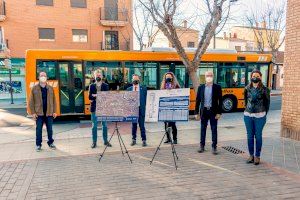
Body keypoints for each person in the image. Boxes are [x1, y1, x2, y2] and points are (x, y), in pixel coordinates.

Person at [244, 69, 270, 165]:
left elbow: (267, 103)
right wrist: (247, 110)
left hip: (260, 116)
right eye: (254, 76)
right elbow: (246, 100)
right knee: (250, 136)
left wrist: (263, 113)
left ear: (260, 77)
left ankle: (257, 156)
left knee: (258, 136)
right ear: (251, 77)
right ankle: (251, 155)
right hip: (248, 115)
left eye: (257, 76)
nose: (255, 77)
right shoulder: (247, 88)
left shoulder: (265, 89)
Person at [28, 72, 57, 152]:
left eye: (44, 76)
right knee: (38, 130)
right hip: (39, 113)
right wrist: (33, 113)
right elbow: (31, 101)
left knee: (50, 129)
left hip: (49, 112)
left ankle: (50, 143)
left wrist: (54, 111)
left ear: (47, 77)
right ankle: (38, 145)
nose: (43, 77)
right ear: (39, 77)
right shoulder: (34, 88)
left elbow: (54, 100)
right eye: (41, 76)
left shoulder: (50, 88)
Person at [195, 71, 222, 155]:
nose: (209, 77)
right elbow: (198, 101)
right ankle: (202, 146)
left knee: (214, 129)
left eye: (210, 75)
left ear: (213, 76)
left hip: (213, 111)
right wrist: (196, 113)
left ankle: (214, 147)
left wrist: (219, 113)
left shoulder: (217, 87)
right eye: (207, 75)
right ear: (205, 76)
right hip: (204, 111)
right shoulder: (201, 87)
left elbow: (220, 101)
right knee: (203, 129)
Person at [89, 70, 112, 148]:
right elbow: (90, 97)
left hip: (103, 108)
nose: (98, 76)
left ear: (102, 76)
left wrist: (95, 95)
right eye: (97, 75)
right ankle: (94, 142)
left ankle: (105, 141)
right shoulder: (91, 86)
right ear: (94, 76)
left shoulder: (105, 85)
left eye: (99, 75)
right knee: (94, 126)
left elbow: (106, 97)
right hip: (94, 109)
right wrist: (99, 96)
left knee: (105, 125)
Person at [127, 74, 147, 147]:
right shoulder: (129, 89)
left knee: (142, 126)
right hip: (133, 110)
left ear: (139, 80)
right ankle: (133, 140)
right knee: (134, 126)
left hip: (141, 109)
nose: (135, 80)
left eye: (136, 79)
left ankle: (144, 140)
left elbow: (146, 99)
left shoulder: (144, 89)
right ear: (132, 80)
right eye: (134, 79)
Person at [160, 72, 180, 144]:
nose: (168, 78)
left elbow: (179, 95)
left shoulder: (176, 85)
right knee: (166, 124)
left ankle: (175, 139)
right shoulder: (163, 86)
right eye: (167, 77)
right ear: (165, 78)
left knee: (172, 124)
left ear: (172, 78)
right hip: (165, 108)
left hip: (173, 108)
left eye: (169, 77)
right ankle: (168, 138)